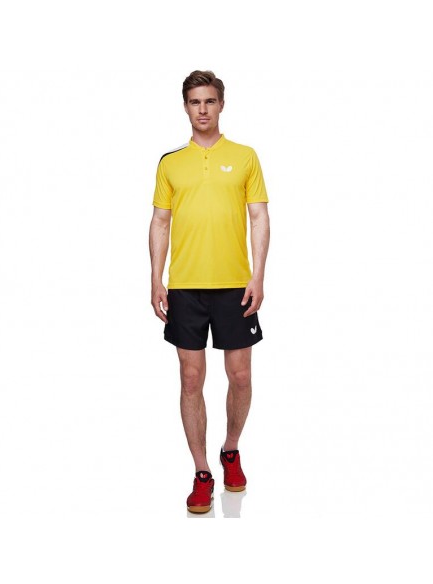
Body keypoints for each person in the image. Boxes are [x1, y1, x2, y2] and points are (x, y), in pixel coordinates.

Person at [149, 70, 270, 514]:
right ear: (186, 107)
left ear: (221, 104)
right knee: (190, 378)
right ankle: (202, 471)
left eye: (210, 101)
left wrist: (258, 276)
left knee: (240, 376)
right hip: (185, 287)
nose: (203, 109)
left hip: (235, 285)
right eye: (195, 102)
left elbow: (259, 217)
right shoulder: (170, 163)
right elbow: (160, 221)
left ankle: (230, 449)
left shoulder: (245, 157)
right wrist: (156, 278)